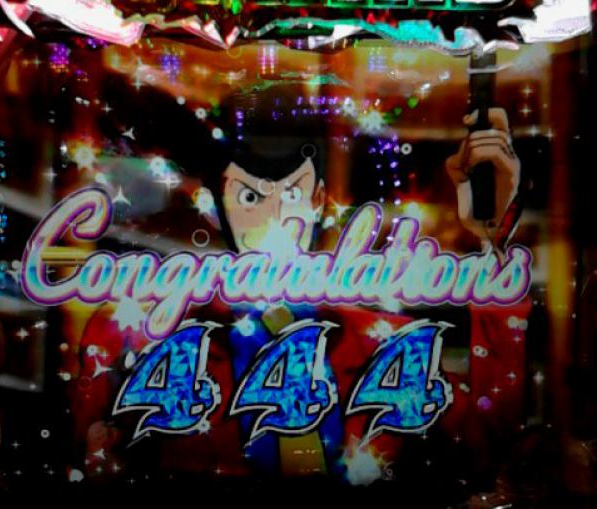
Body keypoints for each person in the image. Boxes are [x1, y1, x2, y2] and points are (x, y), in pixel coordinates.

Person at [73, 86, 530, 483]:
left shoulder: (384, 344)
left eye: (291, 193)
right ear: (215, 207)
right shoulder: (167, 346)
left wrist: (493, 240)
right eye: (250, 196)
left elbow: (485, 447)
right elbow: (96, 445)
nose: (274, 218)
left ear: (317, 200)